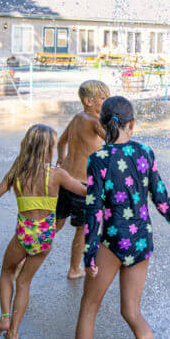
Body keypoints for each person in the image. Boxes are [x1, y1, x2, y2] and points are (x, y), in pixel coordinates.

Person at [51, 96, 170, 339]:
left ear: (103, 125)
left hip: (112, 242)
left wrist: (89, 254)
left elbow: (94, 210)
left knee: (89, 307)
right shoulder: (144, 152)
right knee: (132, 311)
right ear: (132, 124)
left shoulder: (98, 160)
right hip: (141, 240)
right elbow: (160, 196)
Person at [0, 124, 86, 339]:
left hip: (23, 234)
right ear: (48, 149)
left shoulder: (17, 173)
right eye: (53, 147)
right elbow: (84, 190)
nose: (54, 151)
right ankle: (13, 333)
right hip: (45, 237)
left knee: (6, 272)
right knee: (24, 282)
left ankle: (5, 319)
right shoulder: (57, 175)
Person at [56, 80, 110, 279]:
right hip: (82, 186)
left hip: (65, 180)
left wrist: (61, 158)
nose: (108, 101)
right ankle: (74, 268)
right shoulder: (96, 122)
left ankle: (25, 257)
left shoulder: (77, 117)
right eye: (104, 98)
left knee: (56, 223)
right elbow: (115, 142)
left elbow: (61, 141)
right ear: (89, 101)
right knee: (81, 229)